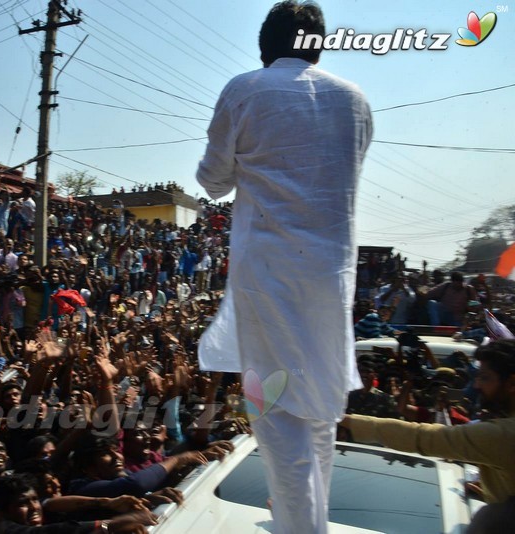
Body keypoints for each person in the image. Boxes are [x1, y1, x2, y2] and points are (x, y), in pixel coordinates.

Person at [195, 2, 373, 532]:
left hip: (268, 275)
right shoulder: (356, 101)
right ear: (317, 44)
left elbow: (213, 181)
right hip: (332, 275)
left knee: (274, 415)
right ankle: (310, 521)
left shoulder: (244, 90)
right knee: (319, 406)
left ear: (265, 47)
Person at [341, 339, 515, 505]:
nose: (477, 386)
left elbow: (421, 436)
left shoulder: (502, 435)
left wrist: (345, 421)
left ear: (512, 382)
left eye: (485, 377)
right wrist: (494, 493)